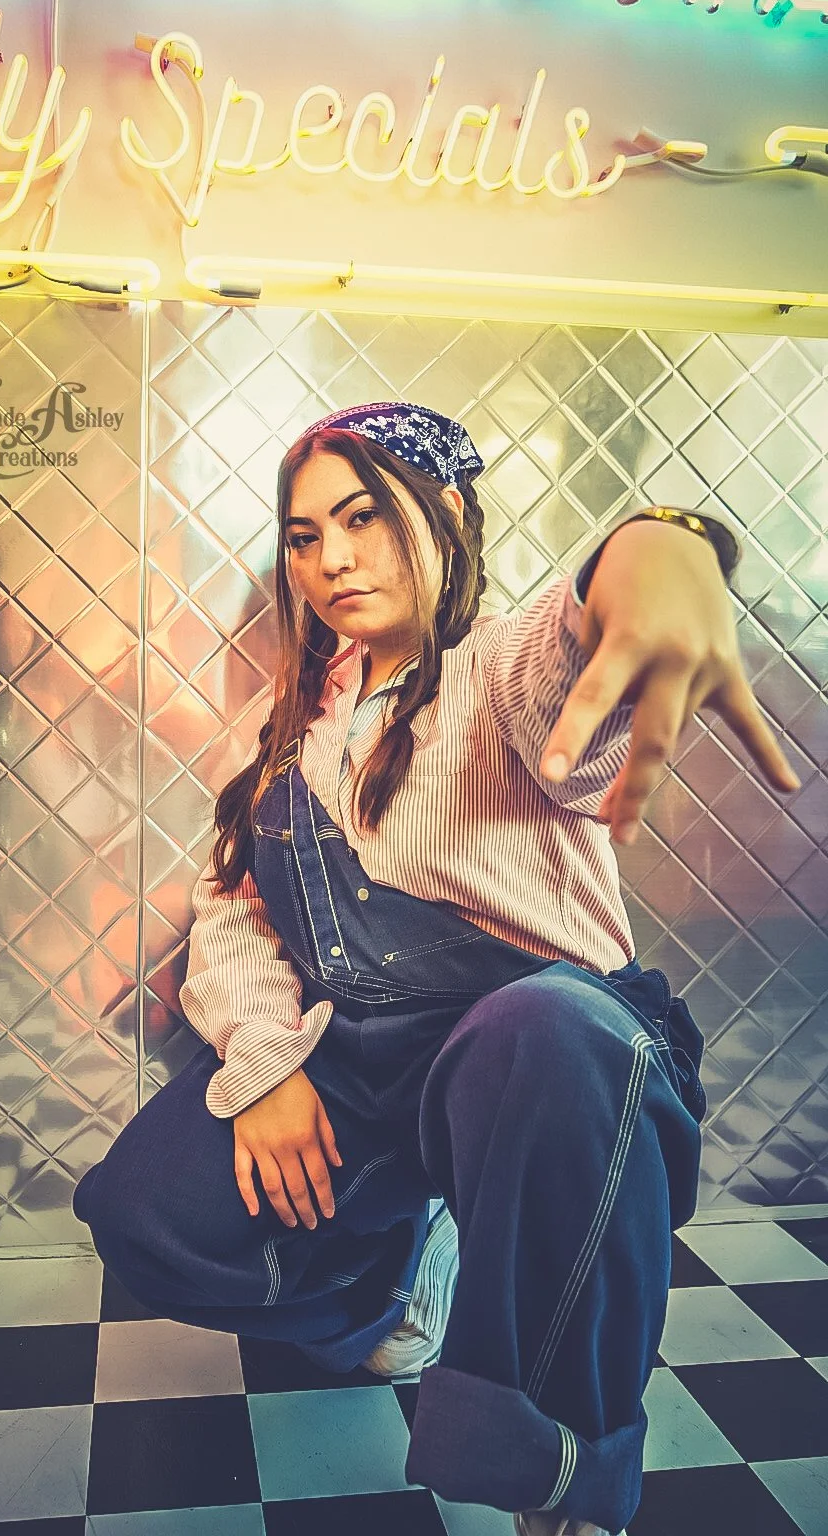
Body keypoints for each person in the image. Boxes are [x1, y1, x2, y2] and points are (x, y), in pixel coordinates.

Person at [72, 401, 800, 1536]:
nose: (330, 559)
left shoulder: (503, 666)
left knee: (545, 1034)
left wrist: (668, 545)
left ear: (448, 510)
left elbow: (595, 609)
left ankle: (562, 1479)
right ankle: (400, 1278)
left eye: (362, 516)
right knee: (146, 1211)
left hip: (549, 1061)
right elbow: (232, 908)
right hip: (365, 1059)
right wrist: (266, 1060)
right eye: (305, 534)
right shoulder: (296, 720)